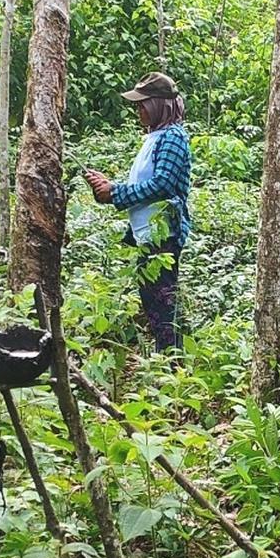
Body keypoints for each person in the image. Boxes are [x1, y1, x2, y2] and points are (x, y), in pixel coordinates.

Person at [84, 72, 192, 354]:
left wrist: (116, 192)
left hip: (163, 234)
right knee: (153, 302)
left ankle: (171, 363)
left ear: (158, 104)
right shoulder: (155, 137)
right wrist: (107, 189)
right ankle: (166, 359)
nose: (138, 110)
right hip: (147, 234)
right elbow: (145, 184)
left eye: (142, 104)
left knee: (163, 305)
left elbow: (163, 184)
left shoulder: (173, 137)